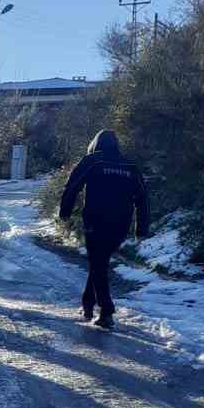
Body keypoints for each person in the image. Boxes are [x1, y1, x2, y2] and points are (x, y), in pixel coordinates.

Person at [59, 128, 150, 330]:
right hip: (121, 224)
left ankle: (106, 310)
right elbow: (142, 199)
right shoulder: (130, 166)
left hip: (96, 220)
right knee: (99, 262)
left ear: (95, 144)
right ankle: (87, 305)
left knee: (98, 263)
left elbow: (72, 186)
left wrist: (65, 212)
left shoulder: (92, 161)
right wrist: (141, 228)